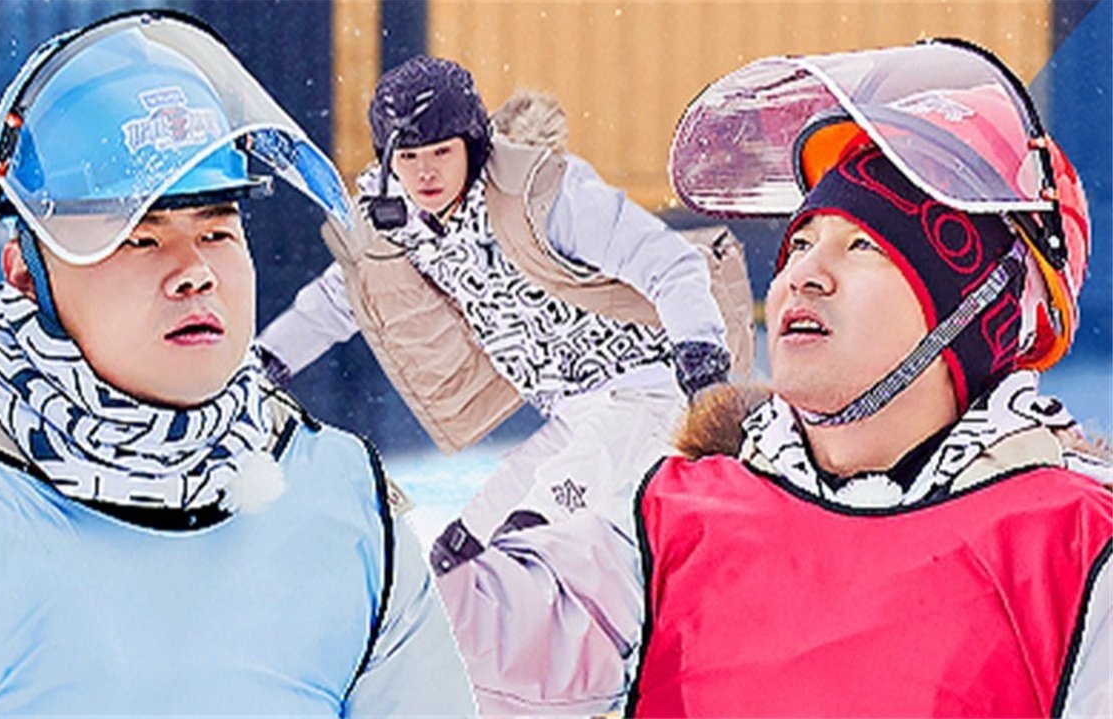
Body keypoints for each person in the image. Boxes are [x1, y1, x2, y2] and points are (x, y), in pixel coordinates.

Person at [0, 11, 474, 716]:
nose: (194, 271)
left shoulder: (347, 505)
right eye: (140, 239)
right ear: (24, 274)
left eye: (217, 231)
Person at [256, 54, 753, 714]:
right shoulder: (397, 223)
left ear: (473, 144)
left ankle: (597, 684)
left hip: (645, 386)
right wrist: (264, 364)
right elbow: (340, 302)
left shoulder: (546, 195)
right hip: (575, 408)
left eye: (441, 152)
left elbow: (668, 263)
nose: (425, 174)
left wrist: (701, 359)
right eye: (408, 158)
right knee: (460, 555)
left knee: (536, 536)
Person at [631, 40, 1111, 716]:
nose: (802, 274)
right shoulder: (659, 514)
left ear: (978, 306)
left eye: (864, 243)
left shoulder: (1079, 549)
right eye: (800, 241)